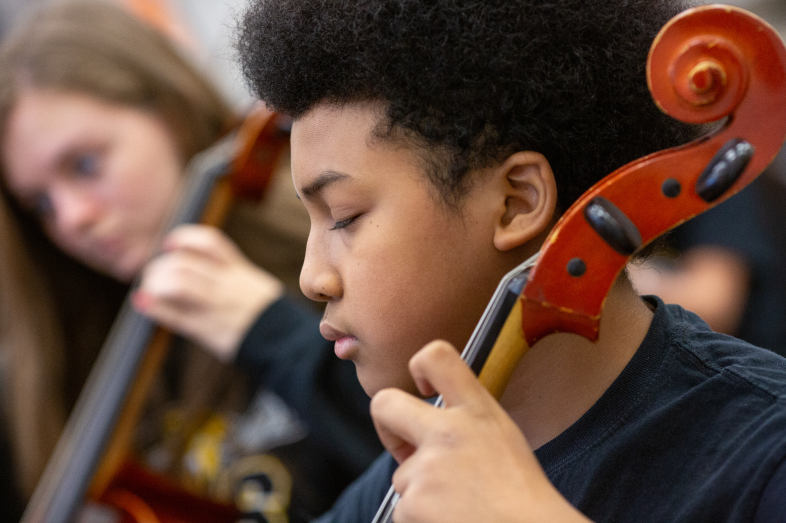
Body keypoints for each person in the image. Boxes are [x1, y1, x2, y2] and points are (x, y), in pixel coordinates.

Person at [236, 0, 786, 521]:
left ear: (516, 202)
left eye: (345, 216)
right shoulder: (421, 468)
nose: (312, 278)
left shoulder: (764, 453)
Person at [0, 2, 380, 522]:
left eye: (85, 164)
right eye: (41, 204)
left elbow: (435, 449)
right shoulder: (65, 358)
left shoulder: (332, 263)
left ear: (171, 117)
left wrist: (268, 332)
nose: (70, 218)